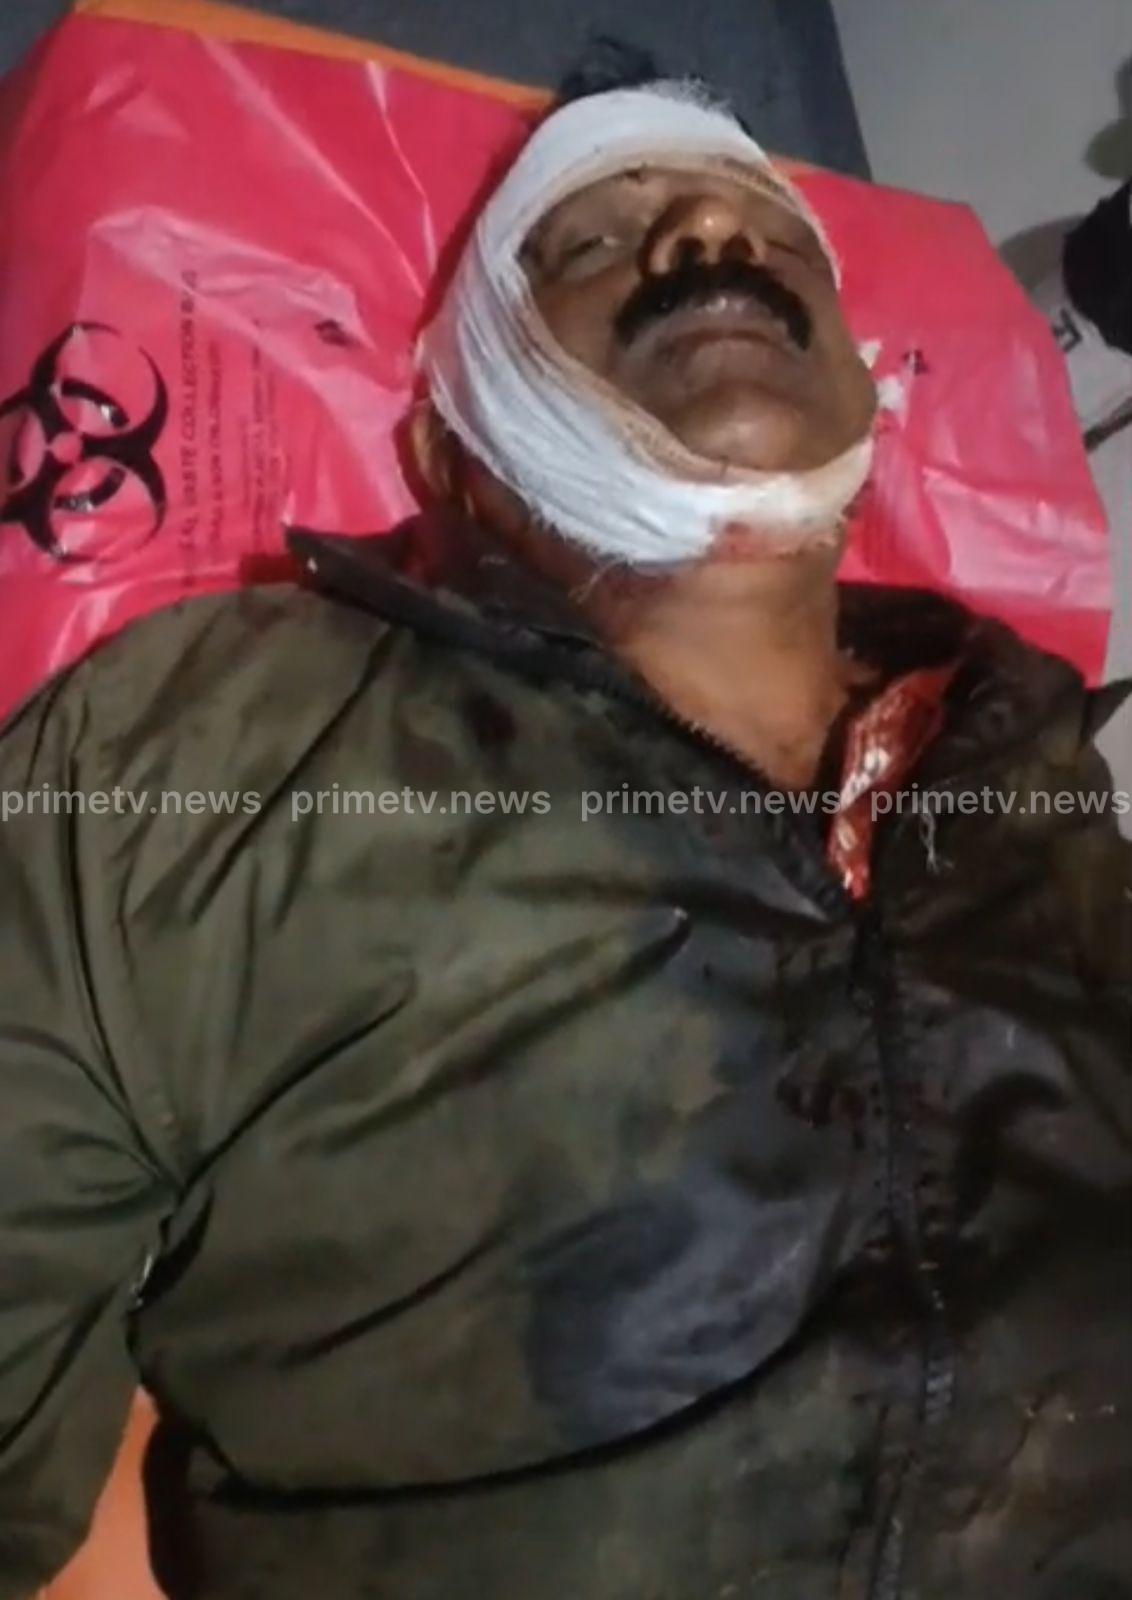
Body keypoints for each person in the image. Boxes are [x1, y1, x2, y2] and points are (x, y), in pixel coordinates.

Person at [2, 50, 1130, 1600]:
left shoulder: (1043, 793)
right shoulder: (210, 747)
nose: (711, 242)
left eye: (778, 243)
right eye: (592, 242)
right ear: (449, 455)